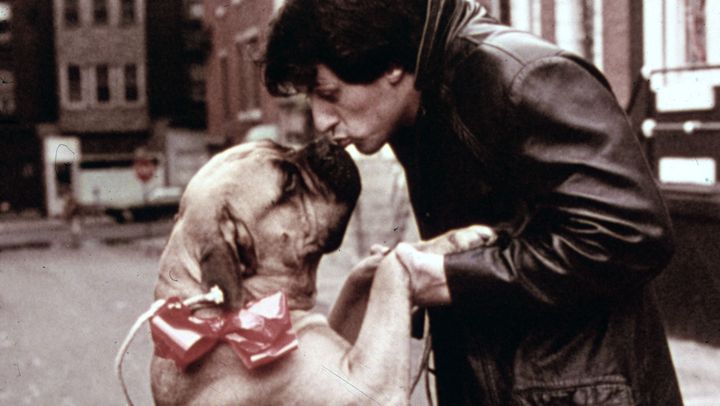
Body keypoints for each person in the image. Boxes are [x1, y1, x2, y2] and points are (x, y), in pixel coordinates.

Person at [263, 0, 683, 404]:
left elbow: (631, 231)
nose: (321, 121)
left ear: (391, 65)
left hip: (578, 391)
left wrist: (450, 277)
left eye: (330, 94)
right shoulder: (419, 100)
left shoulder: (521, 78)